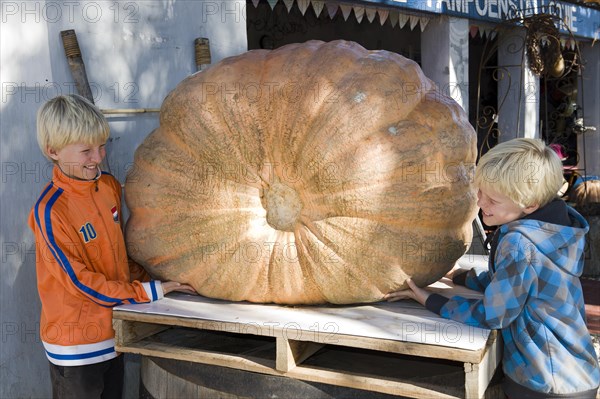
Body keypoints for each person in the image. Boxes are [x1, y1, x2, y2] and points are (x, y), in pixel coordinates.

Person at [385, 138, 600, 399]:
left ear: (529, 204)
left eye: (493, 200)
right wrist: (461, 277)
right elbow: (515, 281)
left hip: (543, 381)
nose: (480, 202)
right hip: (576, 373)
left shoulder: (520, 243)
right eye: (480, 192)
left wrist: (430, 299)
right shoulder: (556, 230)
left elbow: (494, 314)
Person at [28, 94, 195, 399]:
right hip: (75, 348)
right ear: (52, 151)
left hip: (114, 334)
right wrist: (147, 293)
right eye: (86, 151)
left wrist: (159, 282)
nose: (98, 157)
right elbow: (81, 283)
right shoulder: (50, 211)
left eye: (101, 146)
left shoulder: (107, 187)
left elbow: (120, 255)